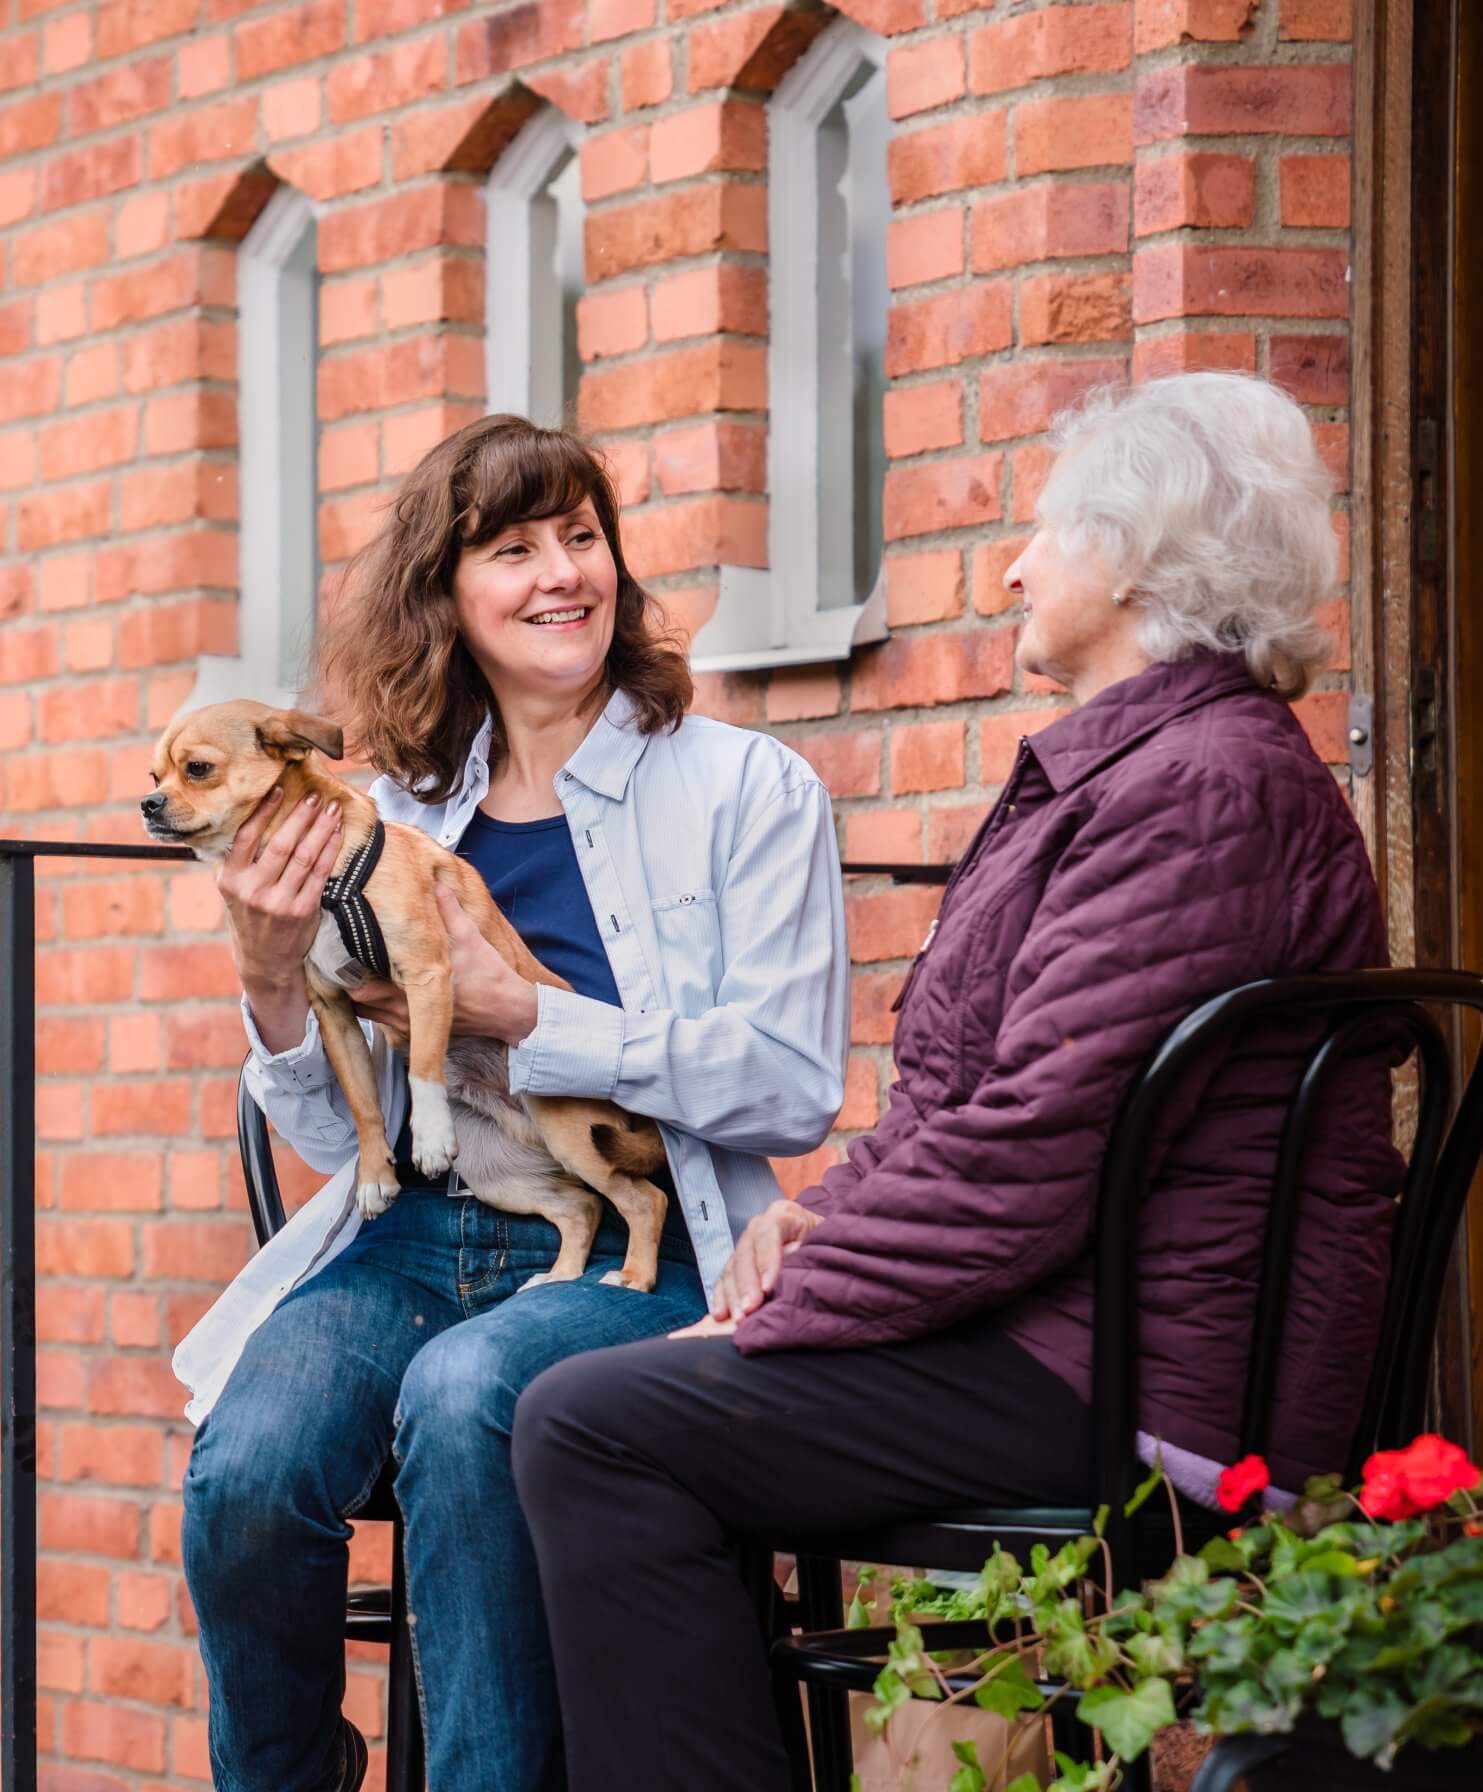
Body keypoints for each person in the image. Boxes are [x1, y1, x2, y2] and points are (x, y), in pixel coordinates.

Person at [510, 371, 1405, 1792]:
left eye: (1046, 531)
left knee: (595, 1425)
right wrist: (814, 1224)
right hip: (1068, 1333)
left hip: (1142, 1384)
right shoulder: (1154, 770)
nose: (1013, 564)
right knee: (604, 1402)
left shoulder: (1198, 791)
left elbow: (1036, 1144)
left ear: (1133, 562)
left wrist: (794, 1308)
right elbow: (971, 1105)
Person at [173, 416, 849, 1792]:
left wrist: (532, 1016)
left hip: (639, 1249)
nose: (562, 575)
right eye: (513, 548)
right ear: (448, 597)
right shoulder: (391, 813)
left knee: (469, 1392)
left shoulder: (744, 790)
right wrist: (267, 975)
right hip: (415, 1239)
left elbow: (790, 1086)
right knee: (249, 1462)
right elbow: (323, 1135)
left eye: (582, 537)